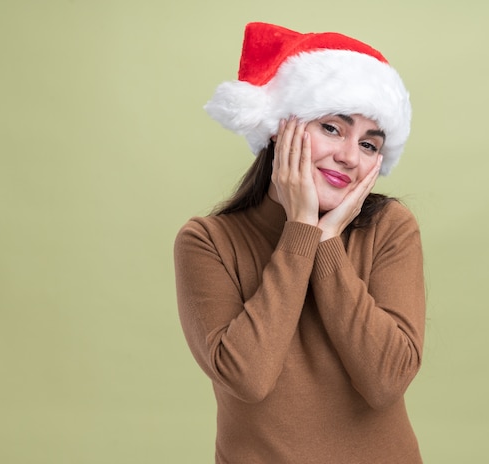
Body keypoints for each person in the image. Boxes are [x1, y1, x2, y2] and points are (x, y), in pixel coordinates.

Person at [174, 22, 426, 464]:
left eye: (369, 144)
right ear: (278, 130)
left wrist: (327, 244)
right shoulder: (207, 241)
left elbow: (386, 381)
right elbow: (247, 377)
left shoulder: (389, 227)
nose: (350, 156)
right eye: (332, 128)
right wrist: (302, 232)